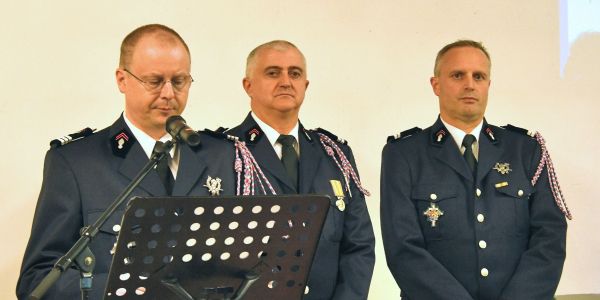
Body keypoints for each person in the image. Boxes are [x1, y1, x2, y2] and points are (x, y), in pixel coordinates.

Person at [17, 24, 239, 299]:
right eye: (155, 81)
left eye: (179, 81)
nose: (169, 93)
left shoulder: (223, 156)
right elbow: (38, 279)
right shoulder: (76, 163)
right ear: (122, 80)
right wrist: (127, 290)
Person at [380, 40, 570, 300]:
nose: (470, 84)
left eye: (478, 76)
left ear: (488, 85)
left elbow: (549, 237)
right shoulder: (403, 155)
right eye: (458, 75)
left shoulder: (526, 151)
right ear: (436, 85)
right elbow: (402, 247)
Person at [225, 40, 375, 299]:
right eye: (273, 73)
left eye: (294, 74)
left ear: (305, 85)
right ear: (247, 85)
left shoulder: (334, 154)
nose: (286, 81)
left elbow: (359, 246)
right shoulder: (224, 153)